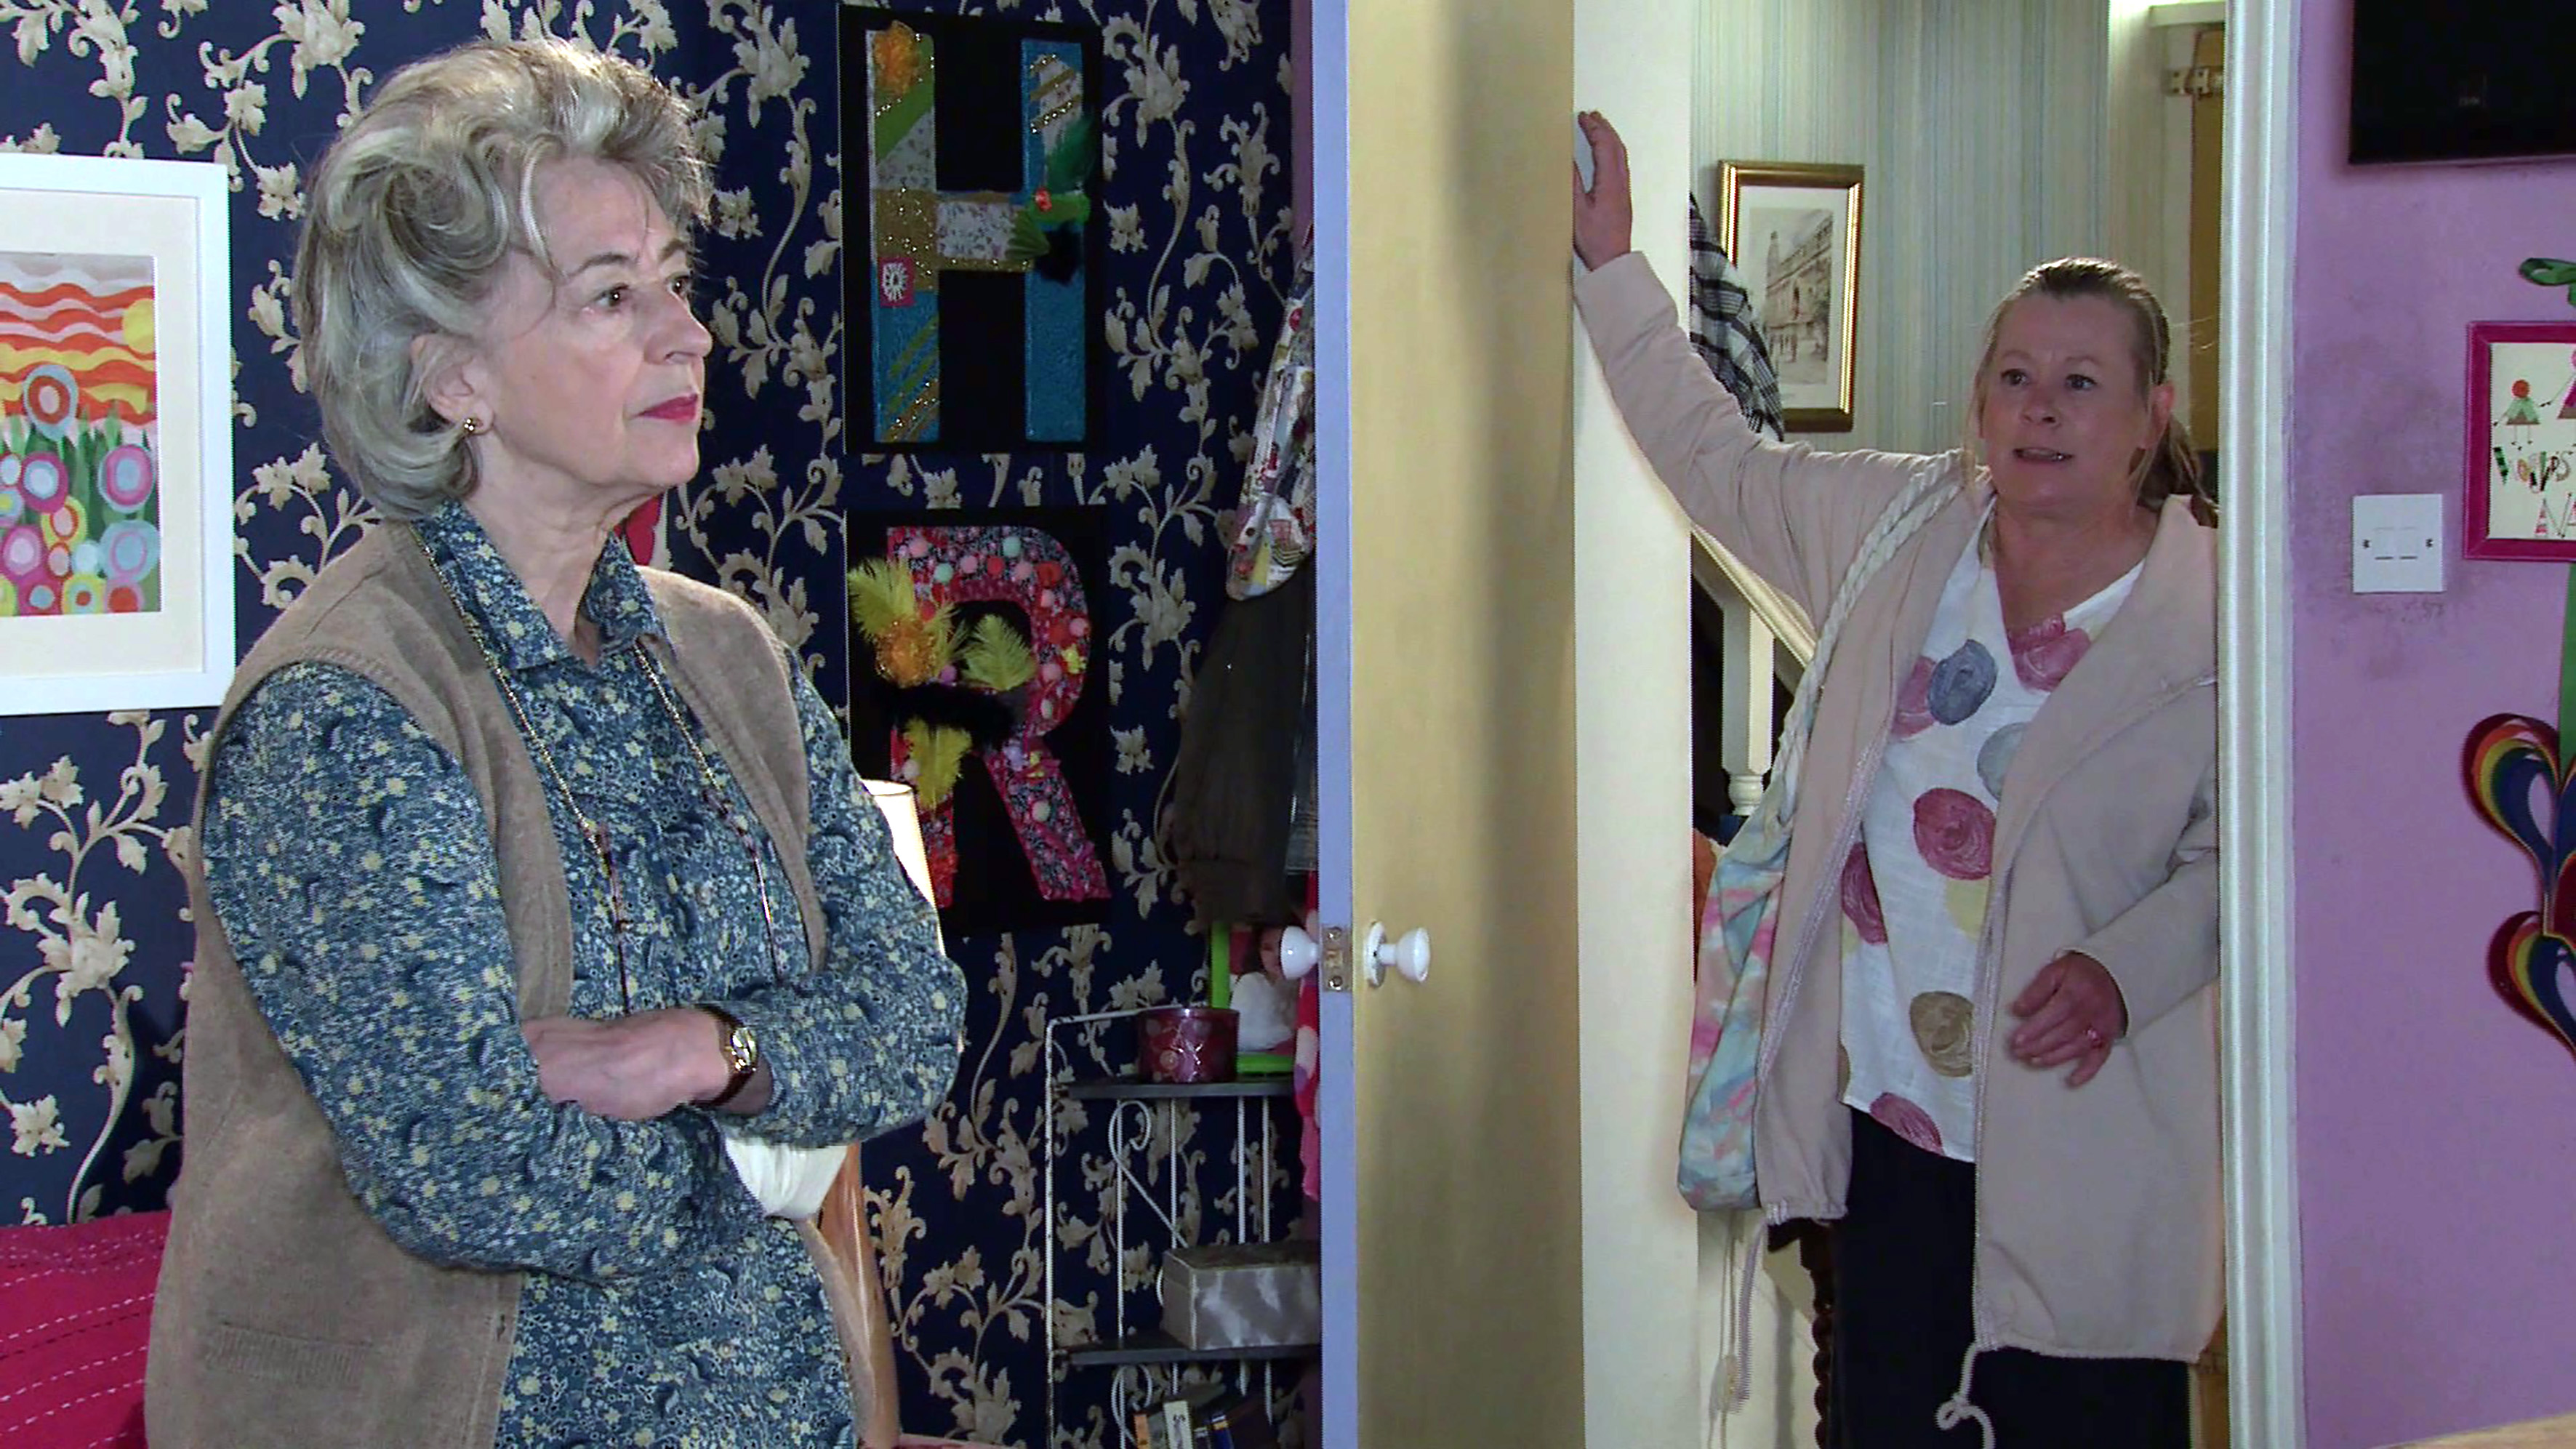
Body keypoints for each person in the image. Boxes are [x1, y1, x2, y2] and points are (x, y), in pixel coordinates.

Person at [146, 39, 966, 1448]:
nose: (686, 335)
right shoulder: (347, 703)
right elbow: (476, 1169)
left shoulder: (726, 656)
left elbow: (913, 1020)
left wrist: (704, 1051)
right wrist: (771, 1155)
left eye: (673, 282)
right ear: (453, 378)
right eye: (610, 295)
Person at [1574, 113, 2219, 1448]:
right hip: (1891, 1127)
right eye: (2015, 377)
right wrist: (1614, 270)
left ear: (2153, 414)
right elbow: (1718, 462)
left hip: (2091, 1141)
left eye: (2082, 382)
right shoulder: (1900, 531)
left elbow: (2255, 859)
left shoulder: (2214, 614)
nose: (2041, 409)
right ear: (1979, 401)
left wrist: (2124, 970)